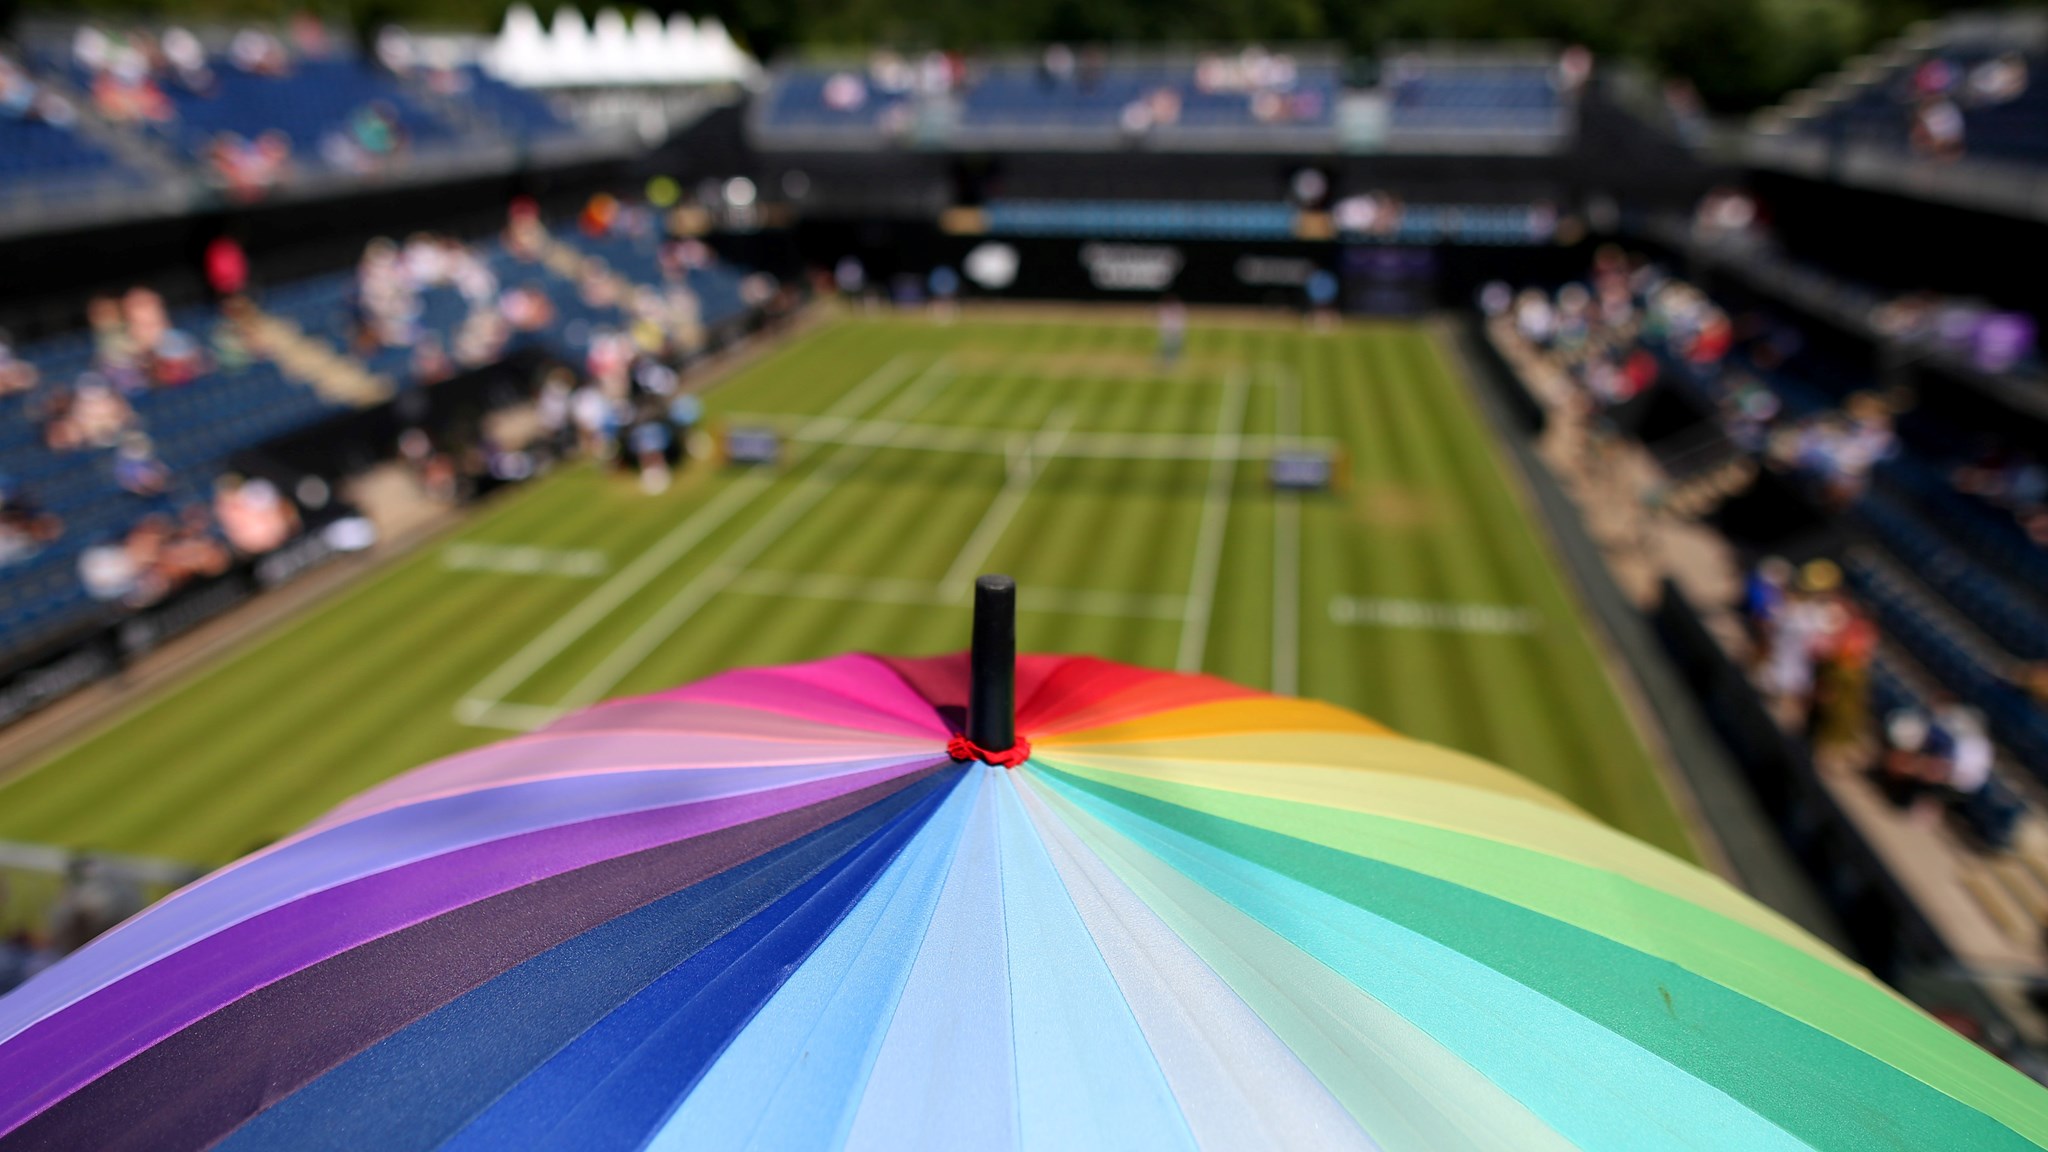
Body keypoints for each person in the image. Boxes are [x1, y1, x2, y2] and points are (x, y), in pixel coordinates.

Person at [1158, 296, 1187, 367]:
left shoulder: (1178, 307)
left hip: (1176, 330)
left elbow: (1182, 320)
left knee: (1175, 348)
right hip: (1168, 331)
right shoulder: (1165, 309)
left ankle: (1171, 362)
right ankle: (1164, 361)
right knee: (1166, 347)